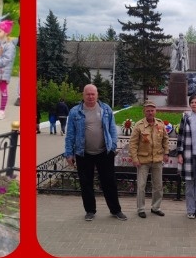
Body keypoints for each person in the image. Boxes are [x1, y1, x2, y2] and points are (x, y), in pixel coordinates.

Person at [65, 84, 127, 221]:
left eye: (93, 94)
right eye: (88, 94)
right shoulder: (75, 111)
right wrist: (69, 153)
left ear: (97, 94)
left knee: (109, 182)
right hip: (84, 153)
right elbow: (70, 134)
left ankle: (116, 210)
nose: (91, 96)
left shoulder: (105, 109)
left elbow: (112, 130)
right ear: (83, 95)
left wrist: (113, 147)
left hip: (104, 152)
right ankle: (90, 211)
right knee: (86, 183)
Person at [129, 101, 170, 218]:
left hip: (157, 159)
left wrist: (166, 153)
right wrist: (135, 158)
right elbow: (133, 144)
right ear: (144, 112)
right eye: (148, 110)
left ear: (155, 111)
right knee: (141, 186)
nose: (150, 112)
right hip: (143, 160)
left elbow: (165, 140)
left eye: (152, 110)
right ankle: (140, 209)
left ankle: (156, 207)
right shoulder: (139, 125)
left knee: (158, 185)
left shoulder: (161, 124)